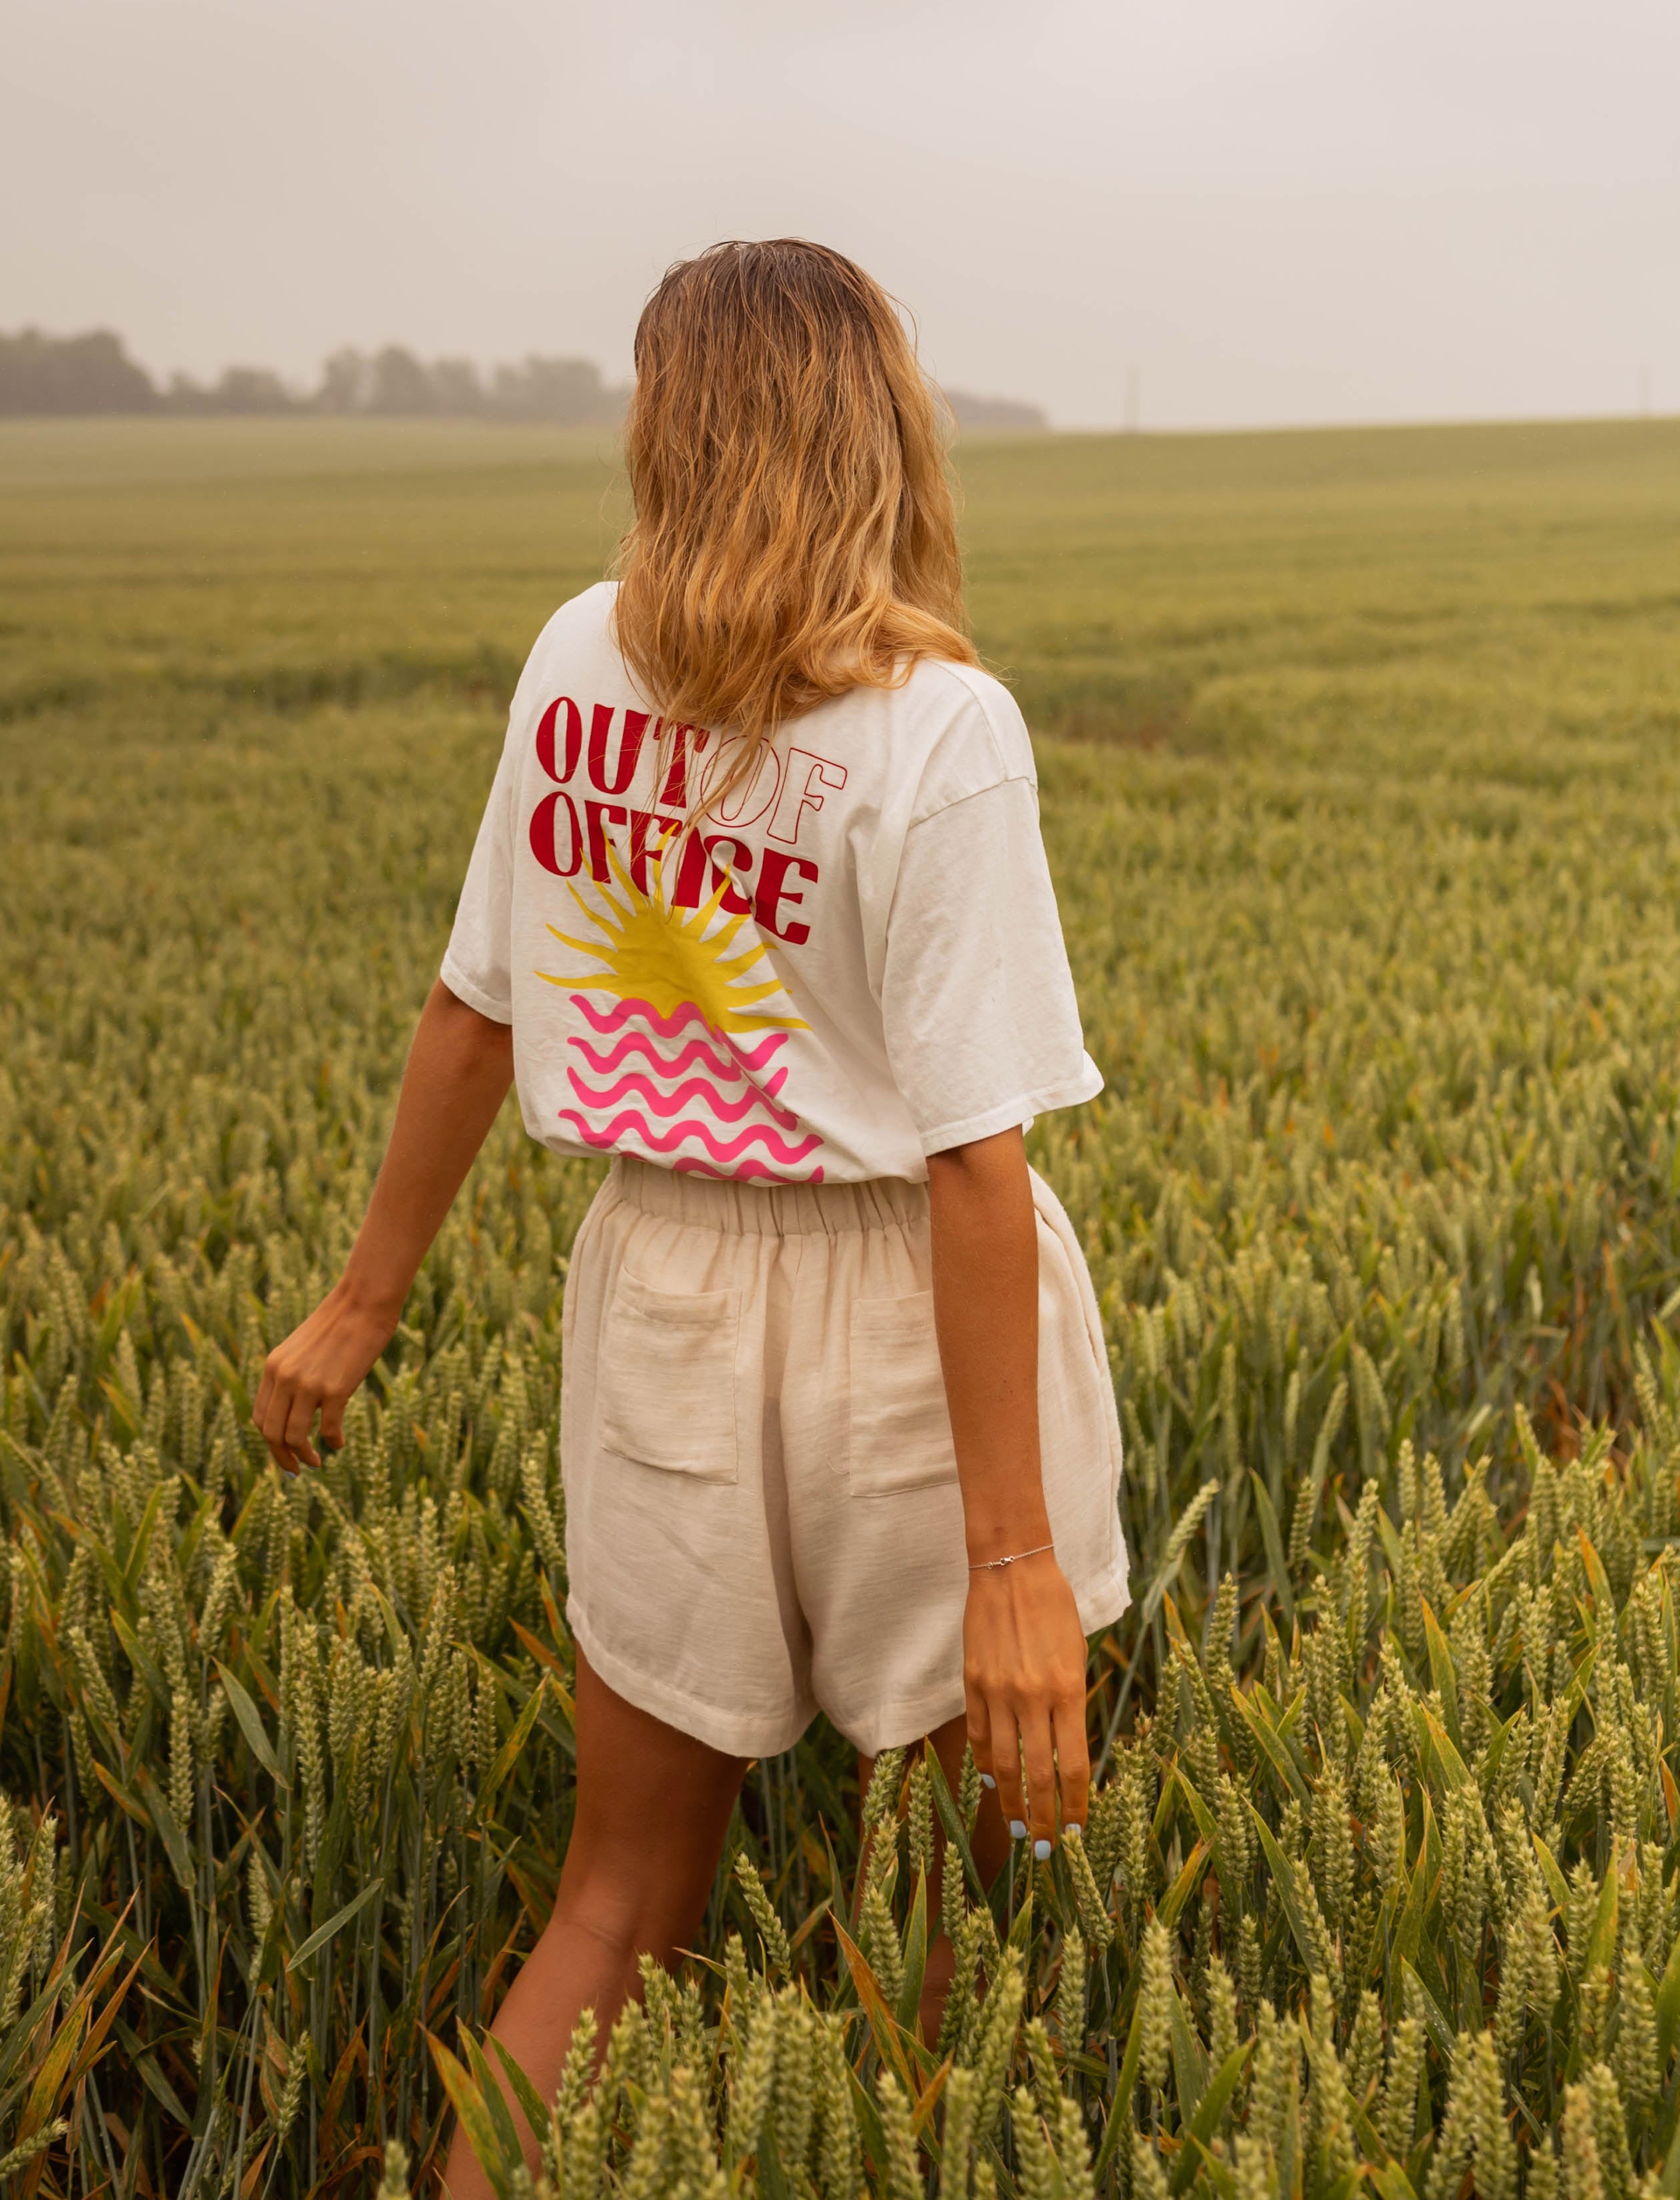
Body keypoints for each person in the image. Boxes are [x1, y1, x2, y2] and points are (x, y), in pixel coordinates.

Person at [252, 239, 1130, 2197]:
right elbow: (975, 1162)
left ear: (670, 426)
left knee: (613, 1913)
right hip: (908, 1325)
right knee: (942, 1941)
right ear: (879, 420)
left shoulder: (578, 657)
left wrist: (358, 1308)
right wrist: (1011, 1562)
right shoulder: (931, 722)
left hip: (655, 1297)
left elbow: (475, 1005)